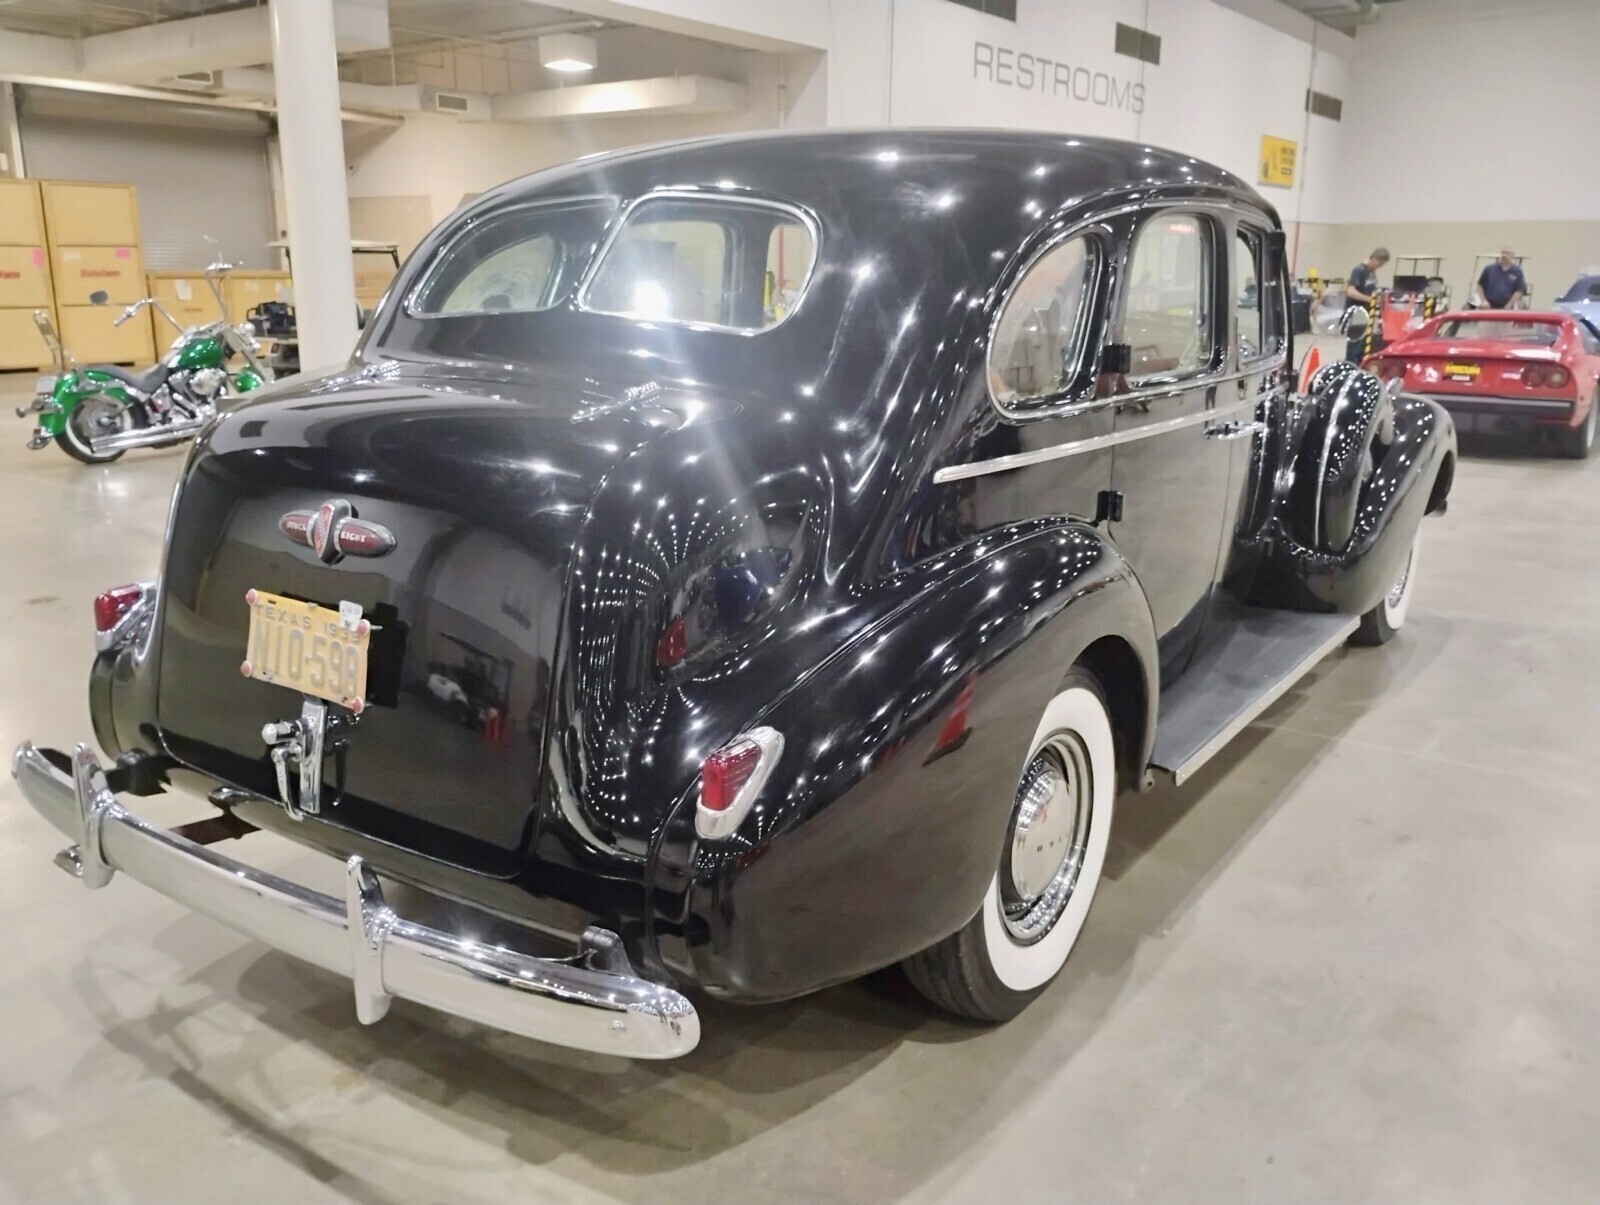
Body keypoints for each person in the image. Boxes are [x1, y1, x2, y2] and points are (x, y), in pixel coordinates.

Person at [1344, 246, 1388, 362]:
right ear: (1374, 258)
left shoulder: (1371, 272)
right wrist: (1369, 299)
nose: (1379, 267)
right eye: (1380, 264)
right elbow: (1351, 291)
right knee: (1355, 345)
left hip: (1366, 312)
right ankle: (1351, 365)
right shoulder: (1359, 271)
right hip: (1356, 312)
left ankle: (1360, 364)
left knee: (1363, 346)